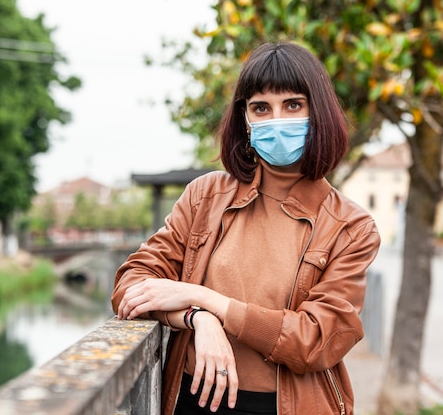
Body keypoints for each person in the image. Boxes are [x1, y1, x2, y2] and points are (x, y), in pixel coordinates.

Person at [112, 41, 381, 415]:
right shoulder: (204, 197)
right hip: (190, 401)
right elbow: (132, 285)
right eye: (260, 108)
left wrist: (210, 300)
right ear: (245, 119)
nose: (276, 120)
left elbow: (316, 340)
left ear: (317, 111)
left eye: (292, 105)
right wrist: (197, 317)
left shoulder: (351, 227)